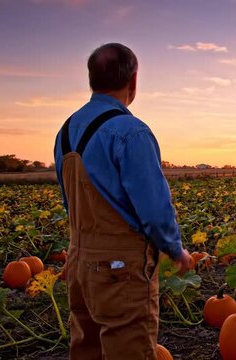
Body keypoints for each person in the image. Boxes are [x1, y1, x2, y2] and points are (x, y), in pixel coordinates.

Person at [53, 43, 191, 360]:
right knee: (128, 346)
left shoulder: (65, 132)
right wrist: (174, 248)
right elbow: (154, 210)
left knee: (86, 346)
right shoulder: (131, 132)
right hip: (119, 266)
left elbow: (70, 202)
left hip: (78, 261)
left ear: (92, 80)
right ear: (134, 81)